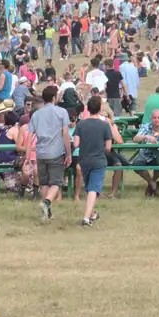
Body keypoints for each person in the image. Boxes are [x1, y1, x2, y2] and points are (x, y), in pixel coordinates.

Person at [72, 96, 120, 227]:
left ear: (88, 108)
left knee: (89, 188)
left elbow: (76, 144)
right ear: (99, 108)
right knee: (93, 189)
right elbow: (108, 147)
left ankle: (92, 214)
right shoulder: (105, 125)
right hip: (99, 160)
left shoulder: (81, 124)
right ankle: (86, 218)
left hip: (84, 160)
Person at [28, 84, 72, 220]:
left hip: (41, 152)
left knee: (44, 183)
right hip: (56, 152)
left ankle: (46, 213)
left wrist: (27, 154)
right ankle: (46, 203)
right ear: (54, 98)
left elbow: (30, 135)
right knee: (57, 183)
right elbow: (65, 133)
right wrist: (68, 153)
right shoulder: (62, 112)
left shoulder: (36, 114)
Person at [130, 110, 159, 197]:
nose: (156, 120)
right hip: (145, 154)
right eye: (154, 118)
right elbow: (135, 139)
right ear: (151, 118)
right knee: (136, 165)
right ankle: (152, 183)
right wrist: (145, 136)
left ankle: (153, 181)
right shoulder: (146, 127)